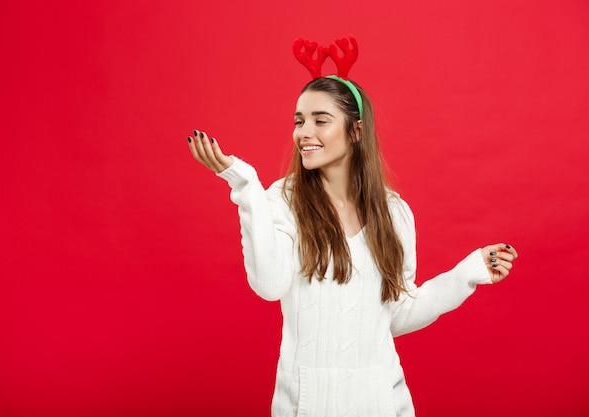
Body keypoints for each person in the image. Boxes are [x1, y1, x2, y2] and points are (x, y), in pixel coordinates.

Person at [187, 37, 518, 417]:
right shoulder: (283, 200)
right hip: (305, 406)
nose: (302, 133)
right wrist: (246, 186)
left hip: (383, 404)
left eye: (320, 120)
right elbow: (269, 284)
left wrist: (468, 273)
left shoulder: (395, 214)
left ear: (356, 131)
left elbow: (396, 316)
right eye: (299, 120)